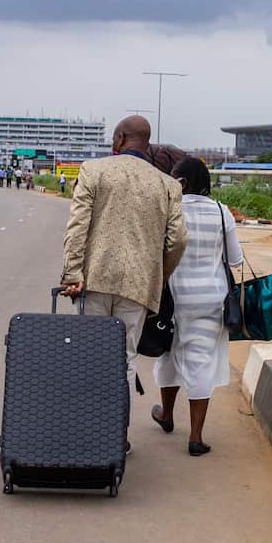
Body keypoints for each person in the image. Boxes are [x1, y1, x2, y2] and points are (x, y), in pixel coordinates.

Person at [61, 116, 186, 448]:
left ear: (119, 138)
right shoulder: (168, 185)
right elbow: (177, 241)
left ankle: (86, 435)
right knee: (125, 359)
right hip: (138, 288)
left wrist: (73, 274)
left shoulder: (93, 171)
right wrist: (158, 277)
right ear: (146, 143)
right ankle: (116, 437)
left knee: (89, 357)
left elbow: (78, 228)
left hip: (93, 283)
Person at [151, 156, 243, 456]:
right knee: (200, 360)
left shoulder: (169, 210)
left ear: (184, 182)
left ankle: (166, 414)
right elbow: (235, 258)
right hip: (211, 298)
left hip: (173, 297)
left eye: (173, 176)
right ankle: (196, 436)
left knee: (168, 353)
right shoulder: (221, 212)